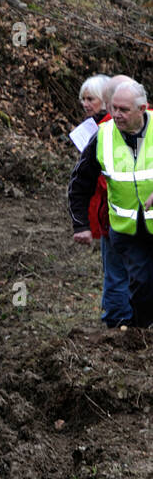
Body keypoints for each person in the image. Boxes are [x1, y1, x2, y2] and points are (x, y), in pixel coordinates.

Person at [69, 77, 153, 327]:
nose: (116, 114)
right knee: (141, 281)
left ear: (142, 109)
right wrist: (80, 224)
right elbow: (79, 183)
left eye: (123, 110)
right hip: (126, 229)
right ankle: (140, 333)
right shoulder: (103, 136)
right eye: (113, 107)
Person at [74, 76, 132, 328]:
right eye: (83, 99)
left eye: (92, 99)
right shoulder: (97, 128)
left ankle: (120, 321)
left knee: (119, 272)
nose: (86, 104)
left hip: (116, 214)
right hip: (113, 213)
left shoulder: (106, 130)